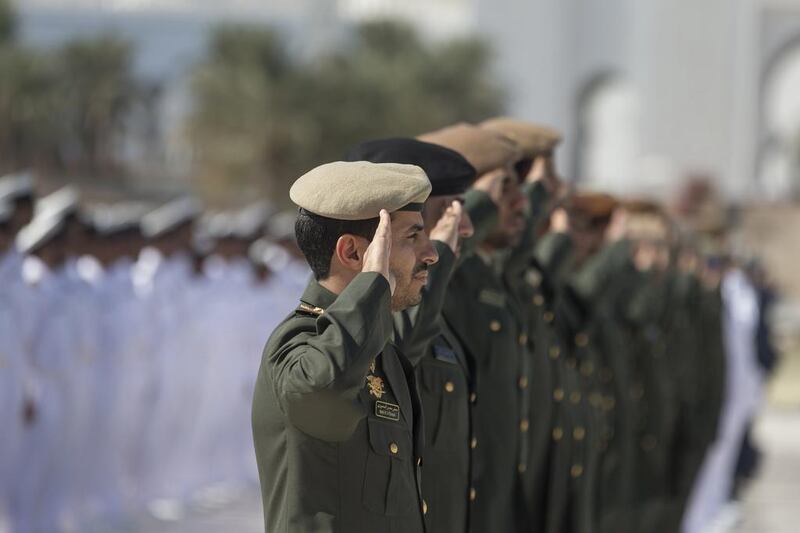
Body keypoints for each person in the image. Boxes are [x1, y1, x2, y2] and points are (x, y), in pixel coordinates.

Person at [251, 161, 437, 532]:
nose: (430, 253)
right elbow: (322, 391)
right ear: (353, 254)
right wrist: (372, 285)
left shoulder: (377, 350)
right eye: (411, 237)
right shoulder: (300, 343)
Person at [343, 137, 477, 532]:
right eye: (446, 213)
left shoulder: (430, 297)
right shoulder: (352, 316)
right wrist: (444, 256)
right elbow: (401, 345)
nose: (463, 228)